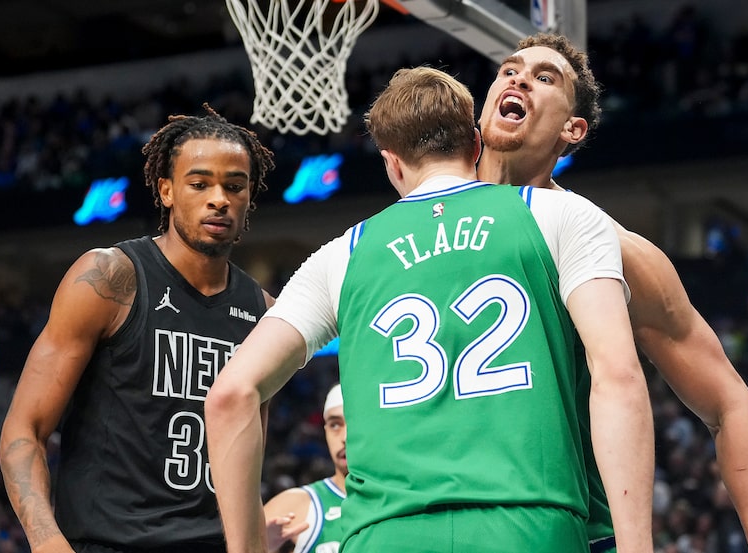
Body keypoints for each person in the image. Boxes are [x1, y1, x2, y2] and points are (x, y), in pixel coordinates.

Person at [205, 66, 654, 553]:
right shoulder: (561, 215)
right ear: (476, 145)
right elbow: (617, 375)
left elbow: (231, 396)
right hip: (528, 524)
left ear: (392, 164)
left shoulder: (341, 256)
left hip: (384, 533)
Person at [476, 32, 748, 553]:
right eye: (508, 70)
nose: (519, 78)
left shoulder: (610, 246)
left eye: (543, 77)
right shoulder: (416, 218)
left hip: (567, 531)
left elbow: (732, 405)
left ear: (572, 130)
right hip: (433, 521)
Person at [0, 104, 276, 553]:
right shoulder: (110, 279)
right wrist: (47, 541)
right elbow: (23, 429)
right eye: (200, 183)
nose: (219, 198)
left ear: (248, 198)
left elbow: (248, 466)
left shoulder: (263, 313)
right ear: (166, 191)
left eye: (234, 186)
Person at [264, 383, 347, 553]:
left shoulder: (405, 499)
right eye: (335, 425)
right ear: (325, 431)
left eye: (353, 423)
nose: (344, 437)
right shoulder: (294, 506)